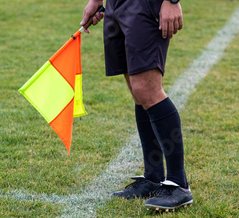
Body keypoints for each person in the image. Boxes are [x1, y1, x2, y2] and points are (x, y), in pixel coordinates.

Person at [80, 0, 193, 211]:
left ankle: (179, 184)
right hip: (116, 5)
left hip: (147, 4)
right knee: (137, 89)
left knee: (146, 89)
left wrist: (171, 1)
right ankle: (153, 177)